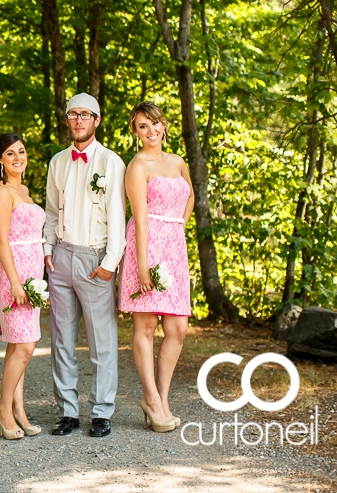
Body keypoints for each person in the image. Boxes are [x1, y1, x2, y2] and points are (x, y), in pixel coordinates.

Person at [43, 93, 126, 438]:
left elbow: (119, 218)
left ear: (97, 120)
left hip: (95, 259)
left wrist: (110, 263)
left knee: (101, 340)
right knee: (62, 339)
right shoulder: (58, 161)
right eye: (73, 114)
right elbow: (49, 210)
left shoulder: (111, 163)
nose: (78, 120)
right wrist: (47, 250)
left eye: (85, 115)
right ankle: (67, 412)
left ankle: (101, 412)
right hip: (60, 257)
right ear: (67, 119)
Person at [118, 102, 193, 433]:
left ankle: (161, 399)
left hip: (175, 248)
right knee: (146, 326)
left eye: (155, 124)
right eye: (142, 126)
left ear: (164, 125)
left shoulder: (177, 162)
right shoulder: (137, 166)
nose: (151, 131)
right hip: (145, 248)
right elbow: (140, 216)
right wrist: (143, 264)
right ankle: (151, 397)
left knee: (178, 328)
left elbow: (189, 196)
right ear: (135, 132)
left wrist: (178, 228)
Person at [0, 133, 45, 440]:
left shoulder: (25, 189)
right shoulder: (0, 191)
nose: (17, 157)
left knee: (16, 343)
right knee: (25, 344)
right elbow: (0, 239)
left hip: (32, 270)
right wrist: (15, 281)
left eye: (21, 152)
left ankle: (19, 410)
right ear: (0, 160)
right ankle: (4, 409)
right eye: (10, 153)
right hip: (12, 272)